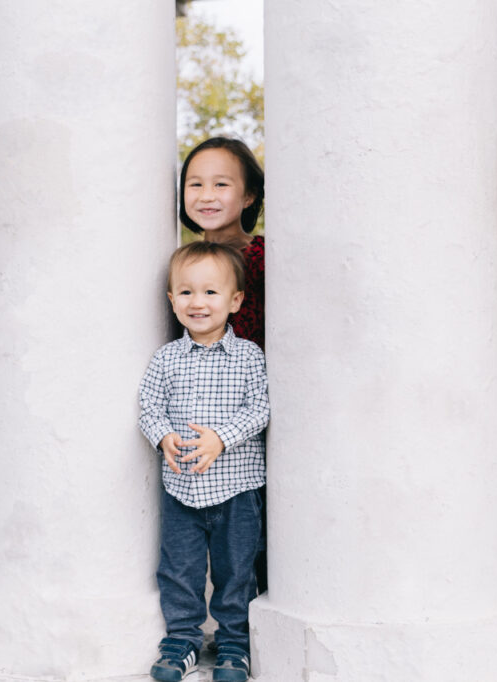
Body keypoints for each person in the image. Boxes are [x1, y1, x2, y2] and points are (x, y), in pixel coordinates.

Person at [139, 241, 269, 682]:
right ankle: (182, 639)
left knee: (236, 570)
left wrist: (221, 438)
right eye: (187, 292)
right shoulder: (165, 359)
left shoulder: (250, 356)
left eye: (211, 293)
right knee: (179, 569)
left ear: (235, 301)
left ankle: (234, 643)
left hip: (237, 488)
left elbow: (261, 409)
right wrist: (164, 437)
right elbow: (149, 409)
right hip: (182, 489)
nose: (198, 302)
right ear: (172, 299)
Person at [179, 136, 268, 593]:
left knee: (255, 543)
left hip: (251, 421)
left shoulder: (262, 258)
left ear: (249, 195)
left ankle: (249, 635)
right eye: (195, 184)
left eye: (221, 184)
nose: (207, 195)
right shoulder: (184, 264)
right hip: (196, 424)